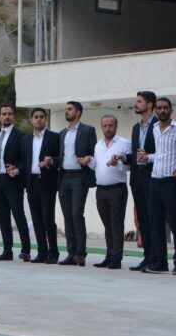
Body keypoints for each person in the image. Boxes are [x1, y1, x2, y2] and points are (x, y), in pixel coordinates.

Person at [144, 97, 176, 274]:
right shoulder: (155, 129)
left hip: (171, 183)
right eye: (159, 108)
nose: (162, 111)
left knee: (175, 223)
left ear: (171, 110)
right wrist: (148, 157)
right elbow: (161, 155)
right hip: (155, 181)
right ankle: (161, 262)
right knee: (156, 224)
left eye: (165, 108)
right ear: (155, 110)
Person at [57, 101, 97, 266]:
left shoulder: (88, 130)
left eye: (70, 109)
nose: (66, 111)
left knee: (76, 214)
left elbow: (94, 152)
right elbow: (61, 157)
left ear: (78, 112)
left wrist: (88, 158)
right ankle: (71, 253)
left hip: (80, 177)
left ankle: (80, 253)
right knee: (67, 216)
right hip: (64, 177)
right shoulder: (62, 133)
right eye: (66, 109)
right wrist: (50, 161)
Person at [0, 104, 28, 261]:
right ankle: (7, 251)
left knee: (18, 216)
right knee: (3, 217)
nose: (7, 116)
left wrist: (16, 169)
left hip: (12, 181)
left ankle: (25, 250)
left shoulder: (20, 136)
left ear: (14, 117)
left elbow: (25, 160)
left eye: (10, 114)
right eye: (4, 114)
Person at [91, 114, 130, 268]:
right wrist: (88, 161)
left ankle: (116, 258)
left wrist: (117, 163)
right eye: (105, 126)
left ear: (116, 126)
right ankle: (109, 255)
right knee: (107, 225)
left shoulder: (124, 143)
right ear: (102, 127)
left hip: (117, 189)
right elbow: (97, 165)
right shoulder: (98, 145)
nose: (108, 128)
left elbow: (129, 166)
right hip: (101, 189)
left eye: (111, 125)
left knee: (116, 224)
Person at [23, 107, 60, 263]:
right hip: (31, 182)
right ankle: (42, 252)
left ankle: (53, 252)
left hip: (47, 182)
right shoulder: (25, 139)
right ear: (31, 120)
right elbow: (24, 161)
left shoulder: (54, 137)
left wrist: (50, 162)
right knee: (36, 219)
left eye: (41, 117)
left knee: (48, 218)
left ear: (46, 119)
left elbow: (60, 158)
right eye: (36, 117)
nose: (38, 119)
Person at [126, 92, 158, 271]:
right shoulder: (136, 128)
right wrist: (123, 157)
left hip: (152, 176)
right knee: (143, 220)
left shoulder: (158, 125)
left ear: (150, 104)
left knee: (154, 219)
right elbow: (134, 154)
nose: (135, 104)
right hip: (137, 178)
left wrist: (149, 157)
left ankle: (157, 258)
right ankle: (147, 257)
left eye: (139, 101)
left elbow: (163, 152)